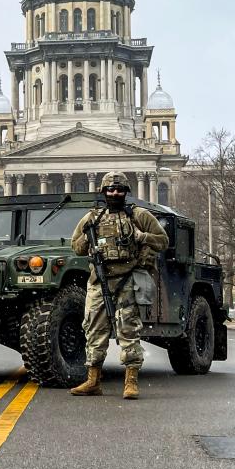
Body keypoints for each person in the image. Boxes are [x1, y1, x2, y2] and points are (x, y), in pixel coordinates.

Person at [69, 171, 168, 400]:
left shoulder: (139, 215)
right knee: (94, 330)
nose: (115, 193)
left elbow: (163, 241)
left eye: (119, 190)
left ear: (126, 192)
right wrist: (88, 239)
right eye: (111, 190)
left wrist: (141, 237)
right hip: (99, 281)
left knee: (128, 331)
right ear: (103, 192)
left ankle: (131, 381)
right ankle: (93, 380)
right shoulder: (92, 218)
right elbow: (76, 247)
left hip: (127, 280)